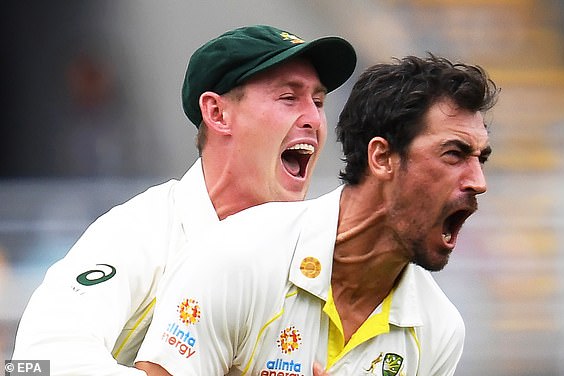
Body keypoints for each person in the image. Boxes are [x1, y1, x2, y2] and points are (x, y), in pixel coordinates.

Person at [11, 25, 356, 375]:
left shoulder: (325, 259)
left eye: (318, 101)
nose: (314, 119)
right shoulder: (141, 232)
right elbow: (37, 364)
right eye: (289, 98)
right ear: (217, 113)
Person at [133, 54, 499, 376]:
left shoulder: (439, 330)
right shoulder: (238, 256)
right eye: (454, 154)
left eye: (480, 159)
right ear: (382, 158)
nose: (479, 182)